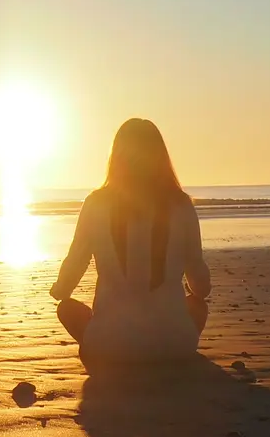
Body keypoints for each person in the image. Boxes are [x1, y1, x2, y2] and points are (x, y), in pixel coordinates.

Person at [50, 118, 210, 364]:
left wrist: (60, 288)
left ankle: (103, 346)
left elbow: (72, 270)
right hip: (174, 343)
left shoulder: (96, 203)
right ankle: (166, 350)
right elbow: (202, 287)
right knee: (197, 306)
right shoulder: (181, 204)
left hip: (110, 344)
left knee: (67, 308)